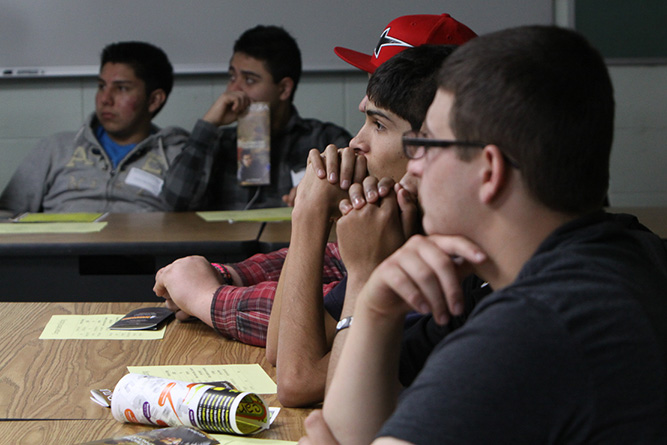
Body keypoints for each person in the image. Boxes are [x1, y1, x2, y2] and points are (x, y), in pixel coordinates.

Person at [301, 25, 667, 444]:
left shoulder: (532, 327)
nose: (414, 167)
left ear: (489, 171)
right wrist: (375, 310)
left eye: (426, 145)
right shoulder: (629, 253)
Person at [153, 14, 477, 347]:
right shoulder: (223, 142)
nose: (370, 97)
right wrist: (229, 276)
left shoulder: (327, 139)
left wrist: (208, 297)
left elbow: (311, 327)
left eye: (380, 120)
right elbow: (337, 260)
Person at [265, 45, 460, 408]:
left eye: (379, 124)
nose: (356, 143)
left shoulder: (452, 269)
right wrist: (310, 214)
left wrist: (311, 221)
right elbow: (279, 349)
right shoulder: (400, 231)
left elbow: (297, 382)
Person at [161, 25, 351, 210]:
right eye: (232, 77)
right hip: (231, 240)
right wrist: (208, 125)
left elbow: (353, 201)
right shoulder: (219, 143)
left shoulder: (325, 139)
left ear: (284, 89)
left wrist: (324, 194)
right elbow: (174, 203)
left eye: (249, 80)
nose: (233, 90)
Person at [0, 41, 190, 215]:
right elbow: (7, 216)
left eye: (121, 88)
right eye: (101, 86)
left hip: (142, 250)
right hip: (63, 250)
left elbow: (195, 225)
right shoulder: (55, 149)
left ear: (154, 100)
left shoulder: (177, 156)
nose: (105, 99)